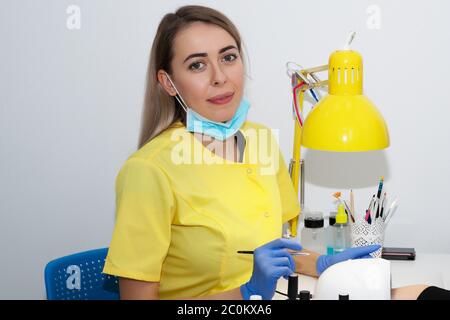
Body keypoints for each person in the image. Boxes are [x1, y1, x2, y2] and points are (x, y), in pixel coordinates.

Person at [102, 5, 448, 300]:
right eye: (197, 65)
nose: (220, 77)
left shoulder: (261, 140)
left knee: (421, 292)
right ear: (168, 82)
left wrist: (322, 263)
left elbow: (275, 255)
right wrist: (245, 291)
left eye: (228, 57)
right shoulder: (149, 170)